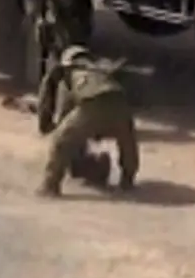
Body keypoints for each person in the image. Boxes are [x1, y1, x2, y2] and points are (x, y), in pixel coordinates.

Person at [37, 44, 139, 197]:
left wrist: (56, 128)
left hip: (92, 104)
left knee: (61, 140)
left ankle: (50, 186)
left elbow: (66, 112)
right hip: (120, 104)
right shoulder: (102, 69)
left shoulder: (70, 72)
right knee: (127, 142)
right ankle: (127, 180)